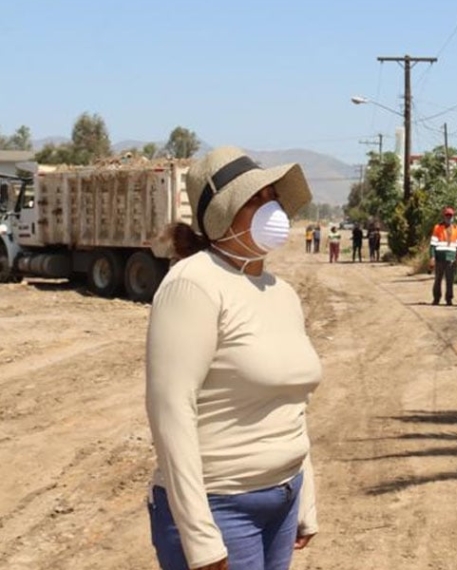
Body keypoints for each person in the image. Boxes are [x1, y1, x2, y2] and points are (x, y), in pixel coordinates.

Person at [145, 146, 321, 570]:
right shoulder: (194, 283)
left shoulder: (282, 292)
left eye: (273, 197)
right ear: (221, 216)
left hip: (282, 499)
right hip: (220, 507)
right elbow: (171, 409)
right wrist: (201, 538)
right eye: (255, 199)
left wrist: (305, 495)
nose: (272, 208)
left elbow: (292, 403)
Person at [429, 206, 457, 305]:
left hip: (451, 259)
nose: (449, 217)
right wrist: (432, 257)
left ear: (453, 216)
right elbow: (433, 245)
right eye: (447, 215)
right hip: (440, 258)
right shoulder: (437, 227)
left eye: (450, 216)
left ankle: (449, 299)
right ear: (444, 216)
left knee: (450, 280)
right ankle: (436, 298)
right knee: (438, 279)